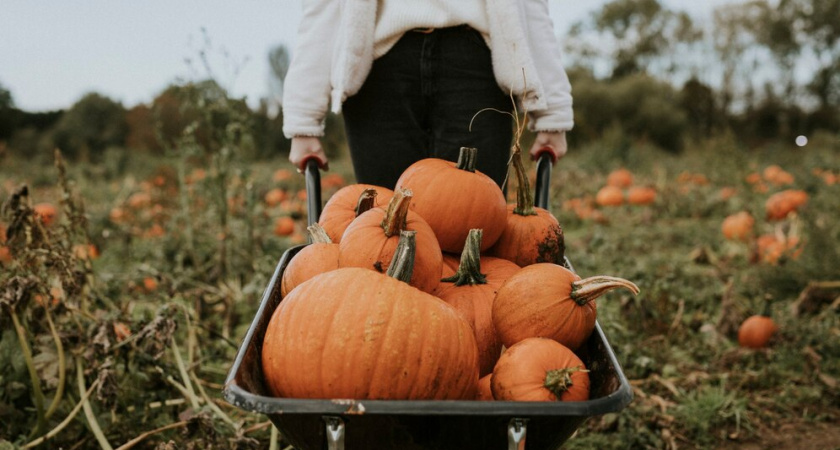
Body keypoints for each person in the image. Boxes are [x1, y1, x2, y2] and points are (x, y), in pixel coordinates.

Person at [282, 0, 574, 189]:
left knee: (475, 225)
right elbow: (323, 9)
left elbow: (531, 9)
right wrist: (303, 119)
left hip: (476, 62)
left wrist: (554, 113)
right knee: (384, 224)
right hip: (379, 66)